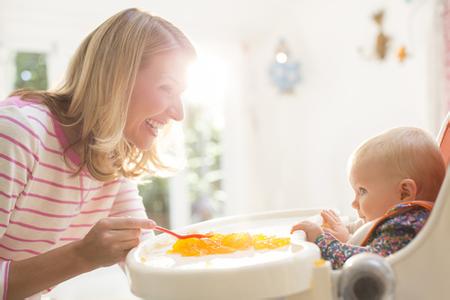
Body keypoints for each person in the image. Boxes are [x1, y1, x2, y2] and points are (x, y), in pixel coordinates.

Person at [0, 8, 196, 299]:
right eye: (167, 87)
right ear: (117, 79)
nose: (178, 113)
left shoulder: (108, 161)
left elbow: (150, 268)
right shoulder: (18, 133)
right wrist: (81, 256)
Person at [291, 127, 446, 269]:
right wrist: (347, 238)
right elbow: (380, 250)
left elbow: (367, 265)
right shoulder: (410, 220)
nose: (354, 203)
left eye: (362, 191)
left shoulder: (406, 226)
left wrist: (322, 241)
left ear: (404, 192)